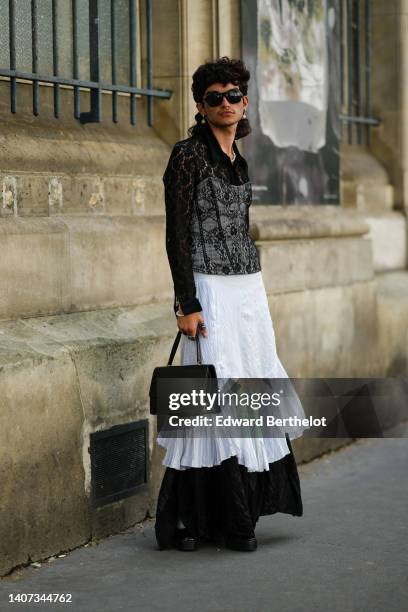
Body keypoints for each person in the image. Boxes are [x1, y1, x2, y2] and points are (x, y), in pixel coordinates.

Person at [154, 57, 304, 552]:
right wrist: (187, 302)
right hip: (209, 288)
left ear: (245, 103)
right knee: (211, 397)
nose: (225, 104)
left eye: (234, 95)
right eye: (214, 97)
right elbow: (176, 234)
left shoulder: (240, 161)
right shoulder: (186, 155)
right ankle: (192, 520)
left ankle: (238, 516)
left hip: (248, 289)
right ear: (200, 105)